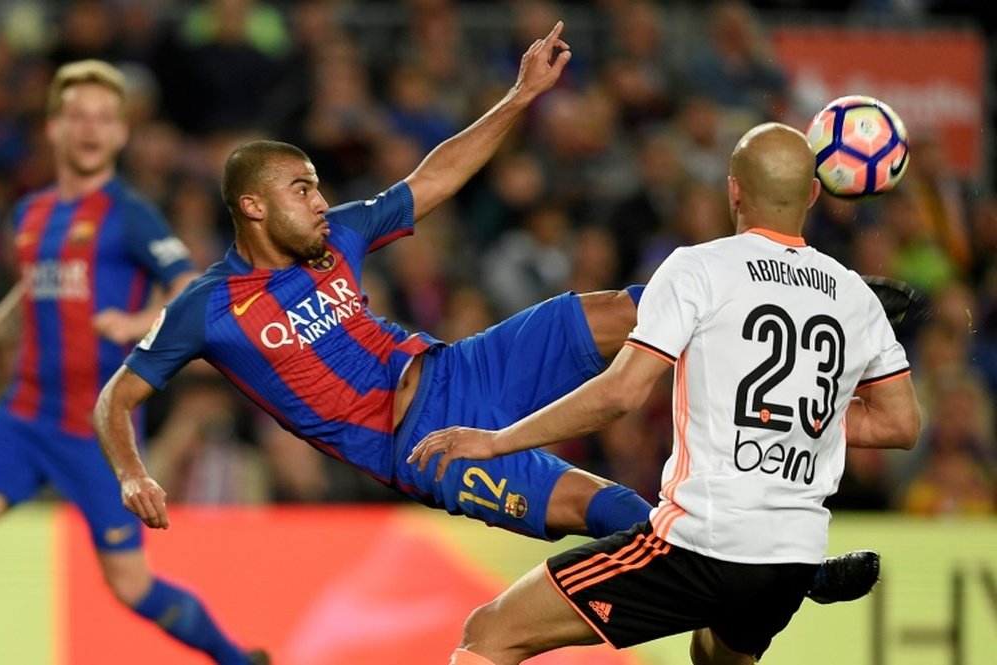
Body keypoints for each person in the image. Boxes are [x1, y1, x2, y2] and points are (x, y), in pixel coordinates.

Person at [96, 23, 870, 604]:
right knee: (607, 510)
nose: (322, 200)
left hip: (458, 363)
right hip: (428, 446)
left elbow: (437, 176)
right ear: (253, 205)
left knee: (610, 308)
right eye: (303, 189)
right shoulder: (208, 307)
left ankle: (790, 292)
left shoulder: (339, 240)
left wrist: (522, 95)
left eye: (319, 184)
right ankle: (792, 579)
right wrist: (132, 475)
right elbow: (117, 397)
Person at [409, 122, 922, 665]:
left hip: (700, 543)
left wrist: (497, 442)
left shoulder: (697, 268)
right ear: (815, 193)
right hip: (793, 556)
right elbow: (899, 425)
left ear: (733, 190)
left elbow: (621, 394)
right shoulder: (855, 295)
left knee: (490, 633)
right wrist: (788, 411)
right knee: (713, 657)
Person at [0, 60, 266, 665]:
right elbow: (34, 290)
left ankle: (238, 660)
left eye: (105, 118)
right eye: (77, 116)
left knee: (129, 586)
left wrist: (133, 321)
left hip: (95, 428)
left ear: (122, 133)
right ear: (55, 128)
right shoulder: (29, 214)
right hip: (21, 416)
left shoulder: (128, 214)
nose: (91, 129)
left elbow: (189, 287)